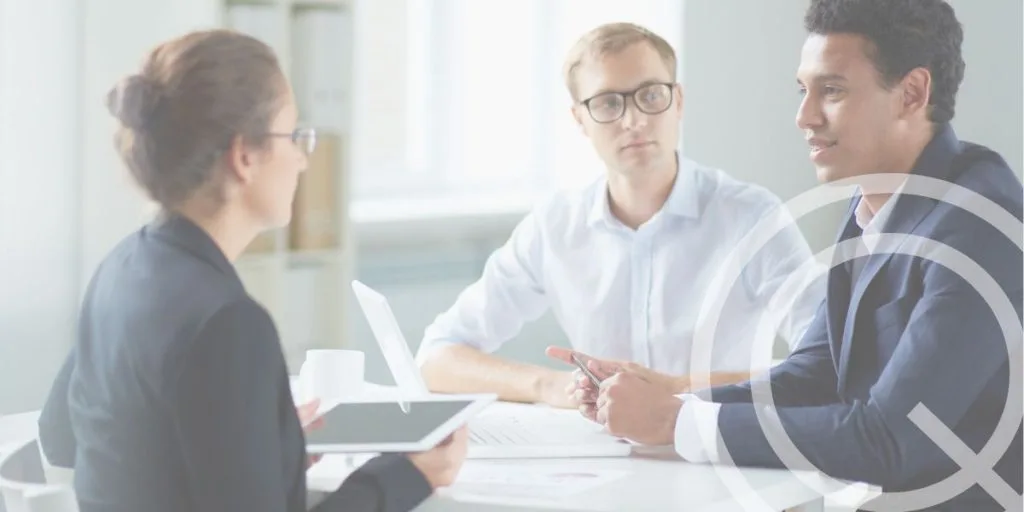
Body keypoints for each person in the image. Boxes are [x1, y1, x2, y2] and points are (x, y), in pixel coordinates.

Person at [577, 1, 1023, 509]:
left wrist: (672, 422)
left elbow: (889, 439)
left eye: (831, 91)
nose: (804, 116)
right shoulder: (873, 196)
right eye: (803, 90)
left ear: (912, 93)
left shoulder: (981, 226)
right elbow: (815, 375)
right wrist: (663, 404)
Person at [36, 29, 467, 512]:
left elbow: (63, 439)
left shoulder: (119, 271)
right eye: (295, 136)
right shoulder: (228, 321)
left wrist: (256, 453)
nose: (304, 159)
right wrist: (407, 476)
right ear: (244, 157)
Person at [415, 22, 827, 409]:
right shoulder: (556, 226)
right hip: (598, 458)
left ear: (677, 101)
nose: (634, 120)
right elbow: (438, 357)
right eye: (609, 103)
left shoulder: (749, 217)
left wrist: (678, 389)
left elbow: (827, 367)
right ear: (580, 119)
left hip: (717, 449)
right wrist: (550, 386)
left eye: (650, 95)